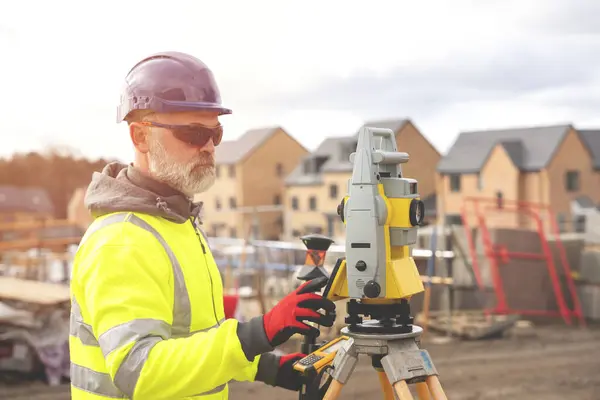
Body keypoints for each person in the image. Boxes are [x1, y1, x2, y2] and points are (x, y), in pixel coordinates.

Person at [68, 51, 336, 399]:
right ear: (140, 137)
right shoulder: (121, 239)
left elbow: (196, 338)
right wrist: (261, 330)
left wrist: (268, 366)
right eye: (193, 134)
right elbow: (140, 370)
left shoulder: (178, 224)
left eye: (216, 133)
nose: (209, 147)